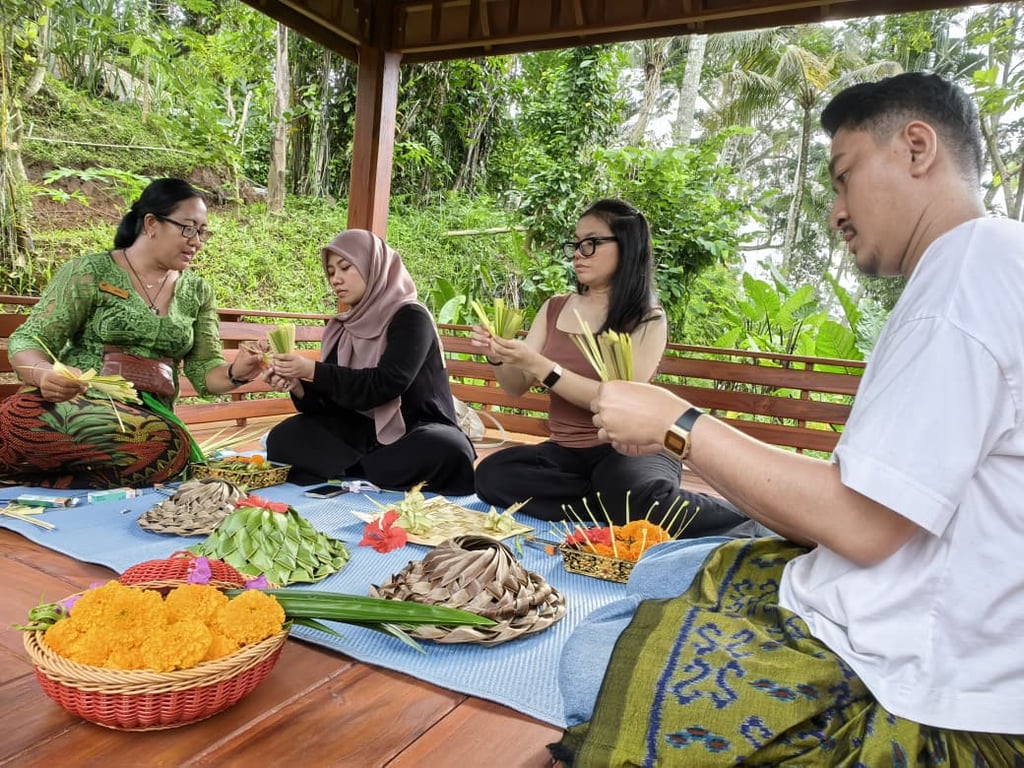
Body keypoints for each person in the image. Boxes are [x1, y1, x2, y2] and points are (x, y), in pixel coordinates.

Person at [555, 73, 1024, 764]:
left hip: (927, 683)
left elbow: (863, 524)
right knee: (657, 572)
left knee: (591, 656)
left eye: (844, 177)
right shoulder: (978, 264)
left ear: (917, 148)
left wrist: (678, 425)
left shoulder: (969, 275)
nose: (837, 212)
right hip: (884, 597)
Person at [472, 199, 746, 535]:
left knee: (632, 492)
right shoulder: (555, 308)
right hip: (565, 456)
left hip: (629, 452)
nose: (577, 253)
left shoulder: (648, 319)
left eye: (590, 243)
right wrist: (497, 355)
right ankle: (610, 504)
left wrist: (544, 367)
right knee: (491, 475)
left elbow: (620, 402)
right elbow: (515, 386)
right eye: (575, 244)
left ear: (626, 246)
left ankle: (747, 520)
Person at [0, 178, 266, 489]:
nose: (197, 241)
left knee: (165, 448)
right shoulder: (90, 272)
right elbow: (28, 339)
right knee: (15, 420)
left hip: (144, 425)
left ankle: (39, 481)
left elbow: (205, 372)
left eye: (203, 232)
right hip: (77, 406)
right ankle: (78, 480)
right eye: (188, 228)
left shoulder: (197, 291)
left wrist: (238, 372)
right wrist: (44, 374)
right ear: (151, 224)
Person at [263, 229, 475, 495]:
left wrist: (312, 370)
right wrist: (298, 385)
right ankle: (378, 471)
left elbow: (385, 384)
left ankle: (356, 468)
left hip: (414, 429)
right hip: (362, 431)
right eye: (331, 272)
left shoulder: (411, 317)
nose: (336, 279)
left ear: (372, 266)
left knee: (448, 449)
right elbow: (332, 402)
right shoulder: (342, 326)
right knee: (284, 437)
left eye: (345, 267)